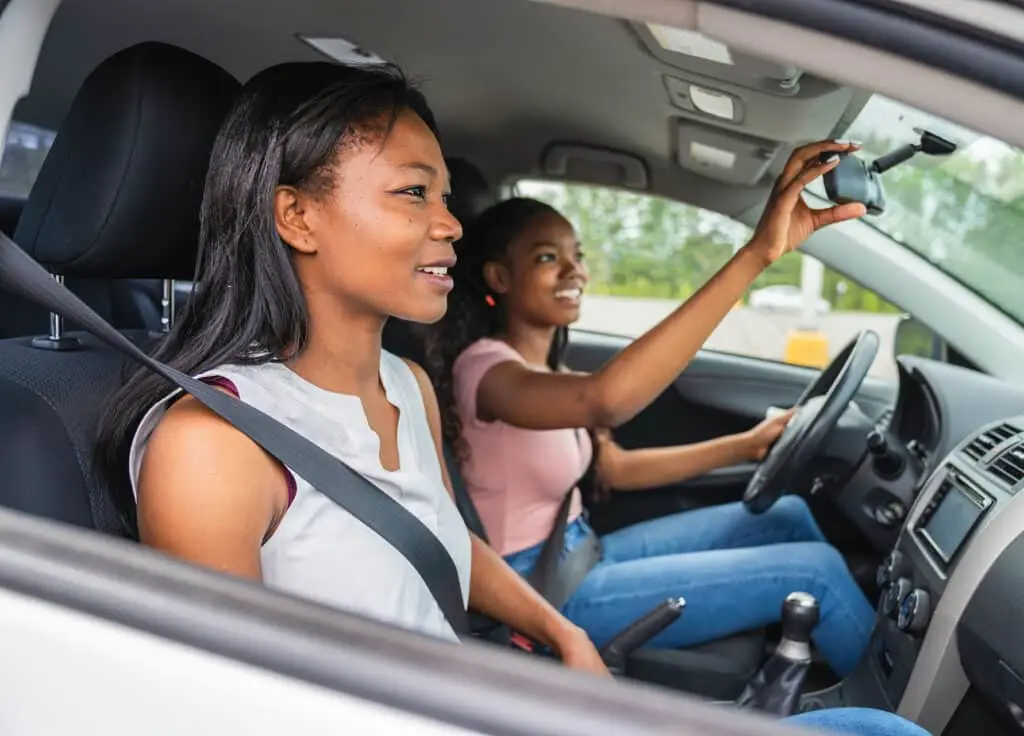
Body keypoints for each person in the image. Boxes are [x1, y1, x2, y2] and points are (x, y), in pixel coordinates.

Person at [92, 60, 928, 736]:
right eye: (413, 192)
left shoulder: (405, 382)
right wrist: (755, 255)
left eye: (446, 197)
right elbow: (219, 712)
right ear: (298, 218)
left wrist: (563, 635)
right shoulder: (213, 444)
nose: (451, 223)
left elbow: (444, 538)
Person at [425, 178, 875, 678]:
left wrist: (744, 447)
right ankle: (900, 706)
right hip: (540, 592)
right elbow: (607, 400)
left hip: (584, 550)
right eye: (548, 258)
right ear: (499, 278)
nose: (575, 270)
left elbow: (614, 469)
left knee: (788, 514)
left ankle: (829, 658)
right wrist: (756, 256)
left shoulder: (552, 373)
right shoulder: (485, 372)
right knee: (817, 572)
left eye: (577, 255)